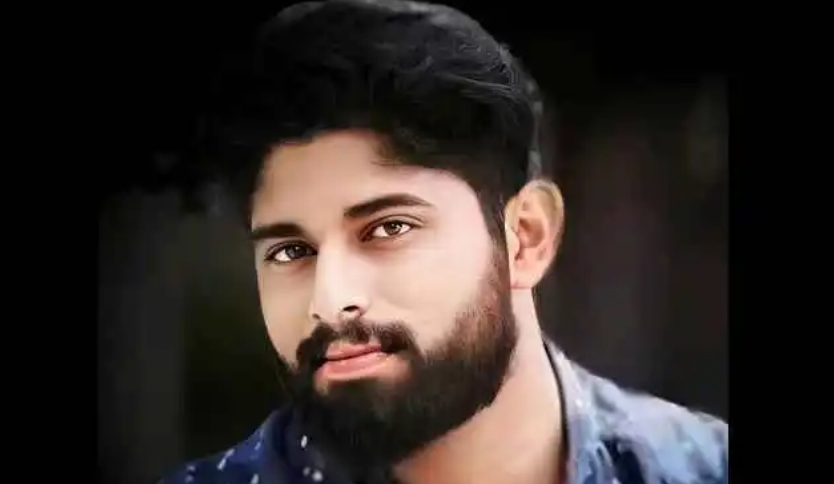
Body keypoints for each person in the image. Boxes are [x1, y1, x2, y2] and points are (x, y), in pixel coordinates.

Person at [157, 1, 728, 483]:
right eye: (291, 251)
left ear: (525, 237)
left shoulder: (703, 467)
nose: (329, 302)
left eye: (389, 228)